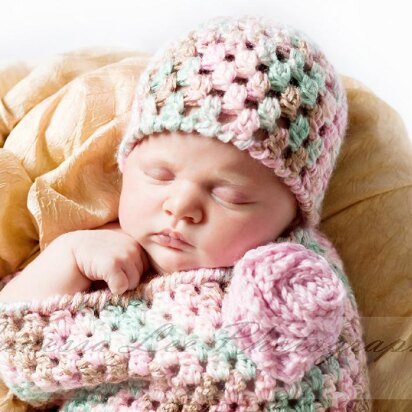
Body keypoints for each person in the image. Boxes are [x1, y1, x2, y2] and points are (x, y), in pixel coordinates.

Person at [0, 15, 371, 410]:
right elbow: (16, 347)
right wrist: (65, 256)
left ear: (292, 216)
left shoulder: (304, 283)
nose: (180, 207)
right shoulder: (100, 262)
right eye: (159, 176)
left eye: (231, 196)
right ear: (125, 166)